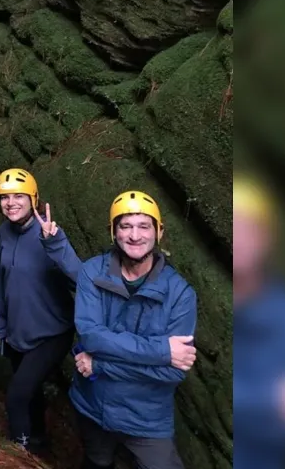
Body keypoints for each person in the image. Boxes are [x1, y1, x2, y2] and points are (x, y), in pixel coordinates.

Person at [70, 191, 197, 469]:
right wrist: (162, 351)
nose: (134, 235)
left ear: (159, 232)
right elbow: (90, 336)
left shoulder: (180, 294)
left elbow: (173, 370)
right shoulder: (93, 272)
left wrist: (101, 364)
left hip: (146, 418)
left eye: (144, 226)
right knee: (96, 461)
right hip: (93, 407)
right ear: (113, 232)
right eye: (125, 226)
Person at [0, 168, 83, 455]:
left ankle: (18, 453)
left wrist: (55, 243)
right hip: (18, 331)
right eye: (5, 197)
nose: (11, 202)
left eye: (19, 196)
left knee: (17, 395)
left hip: (51, 332)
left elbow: (80, 280)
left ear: (34, 199)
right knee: (31, 394)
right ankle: (40, 443)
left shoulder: (50, 234)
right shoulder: (3, 233)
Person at [232, 175, 285, 469]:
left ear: (266, 238)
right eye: (234, 228)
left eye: (249, 230)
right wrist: (271, 399)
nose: (240, 239)